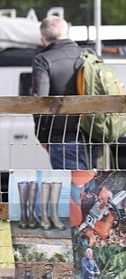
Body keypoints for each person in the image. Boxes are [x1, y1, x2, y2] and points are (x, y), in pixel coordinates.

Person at [31, 16, 90, 169]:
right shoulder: (90, 56)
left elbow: (40, 102)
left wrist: (42, 137)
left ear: (43, 39)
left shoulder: (43, 60)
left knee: (71, 184)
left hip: (62, 137)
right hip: (94, 137)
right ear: (67, 33)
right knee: (93, 183)